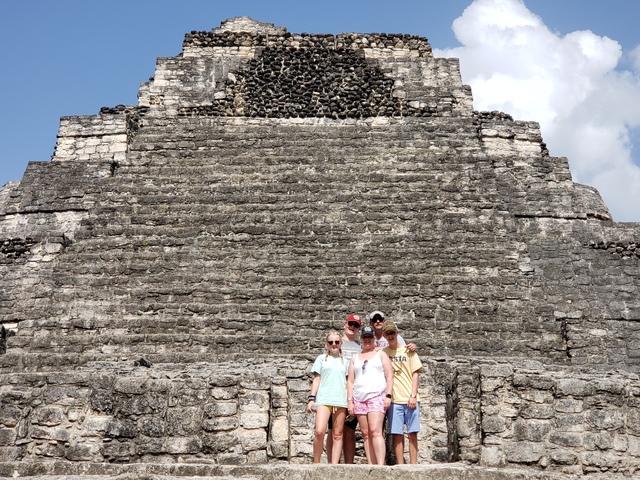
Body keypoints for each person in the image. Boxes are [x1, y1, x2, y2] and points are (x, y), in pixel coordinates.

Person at [347, 325, 393, 465]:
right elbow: (350, 381)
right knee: (366, 434)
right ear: (361, 339)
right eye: (365, 337)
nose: (367, 340)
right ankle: (371, 465)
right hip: (359, 398)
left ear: (374, 338)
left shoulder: (381, 354)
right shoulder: (355, 358)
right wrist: (350, 401)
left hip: (376, 394)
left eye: (370, 337)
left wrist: (388, 395)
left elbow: (389, 375)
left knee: (375, 431)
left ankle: (380, 465)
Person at [382, 321, 423, 464]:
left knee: (412, 433)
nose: (390, 336)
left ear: (397, 333)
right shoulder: (384, 353)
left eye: (392, 333)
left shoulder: (409, 351)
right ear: (384, 336)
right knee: (397, 434)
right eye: (387, 333)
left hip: (409, 398)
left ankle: (413, 465)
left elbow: (415, 373)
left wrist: (413, 395)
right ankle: (401, 465)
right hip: (393, 400)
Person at [307, 331, 349, 464]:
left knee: (337, 434)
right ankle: (316, 462)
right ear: (327, 345)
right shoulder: (321, 359)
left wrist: (349, 400)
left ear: (341, 344)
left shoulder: (346, 362)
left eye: (337, 342)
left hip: (340, 400)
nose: (334, 344)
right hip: (324, 399)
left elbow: (348, 383)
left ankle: (334, 465)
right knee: (319, 431)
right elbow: (317, 379)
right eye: (331, 342)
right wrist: (311, 399)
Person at [326, 313, 361, 463]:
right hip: (335, 391)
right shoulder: (335, 342)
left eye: (356, 325)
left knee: (349, 430)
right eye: (350, 323)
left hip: (353, 392)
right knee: (332, 429)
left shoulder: (361, 346)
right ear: (344, 324)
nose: (352, 327)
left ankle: (349, 464)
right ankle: (331, 464)